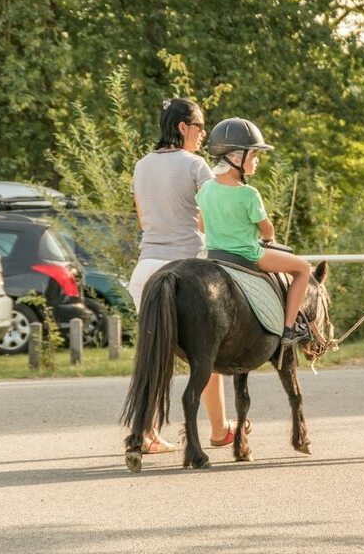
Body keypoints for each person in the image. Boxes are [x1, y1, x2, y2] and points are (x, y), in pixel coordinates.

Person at [128, 98, 249, 454]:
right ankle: (218, 428)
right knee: (206, 351)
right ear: (183, 127)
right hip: (186, 268)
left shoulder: (141, 166)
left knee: (156, 351)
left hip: (147, 269)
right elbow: (210, 218)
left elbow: (142, 221)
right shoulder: (196, 165)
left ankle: (147, 433)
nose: (202, 134)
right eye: (199, 127)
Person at [197, 117, 311, 344]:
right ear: (236, 158)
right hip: (248, 255)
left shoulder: (206, 188)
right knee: (303, 268)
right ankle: (289, 328)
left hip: (215, 256)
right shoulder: (249, 194)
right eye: (254, 155)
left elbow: (201, 226)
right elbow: (267, 229)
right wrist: (268, 237)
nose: (257, 161)